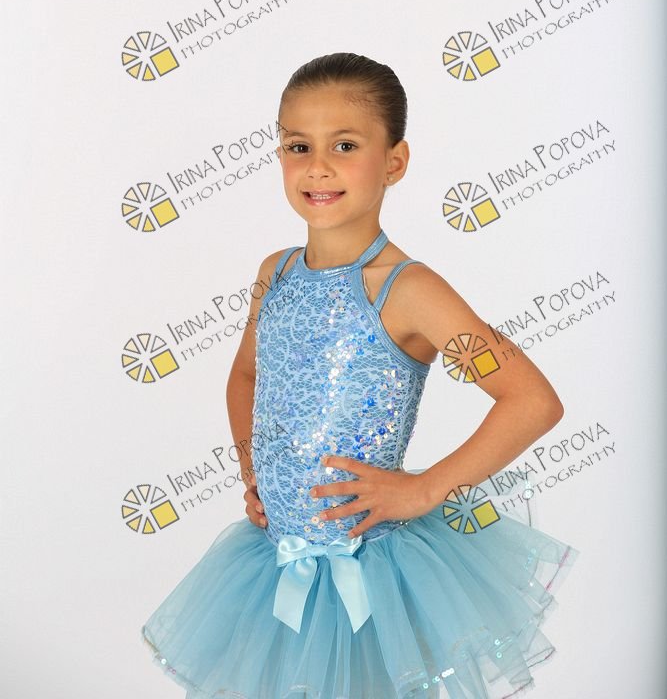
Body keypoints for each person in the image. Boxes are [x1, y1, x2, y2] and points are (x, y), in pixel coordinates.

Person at [140, 52, 580, 699]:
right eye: (298, 146)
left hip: (372, 569)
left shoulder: (409, 291)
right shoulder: (275, 272)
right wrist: (254, 474)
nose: (317, 166)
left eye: (344, 146)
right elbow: (245, 376)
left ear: (394, 162)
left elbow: (531, 400)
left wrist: (423, 490)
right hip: (274, 557)